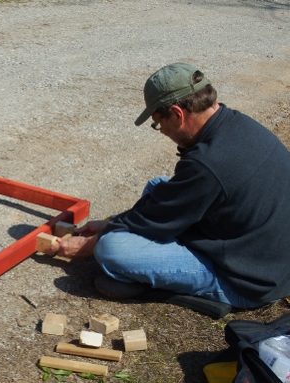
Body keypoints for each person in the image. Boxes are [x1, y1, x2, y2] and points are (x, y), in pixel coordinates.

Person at [46, 62, 290, 310]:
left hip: (251, 282)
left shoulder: (207, 163)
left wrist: (92, 244)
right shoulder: (237, 124)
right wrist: (112, 223)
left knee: (110, 248)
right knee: (158, 186)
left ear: (177, 113)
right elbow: (165, 208)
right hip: (264, 250)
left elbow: (167, 211)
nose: (162, 132)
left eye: (158, 123)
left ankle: (164, 282)